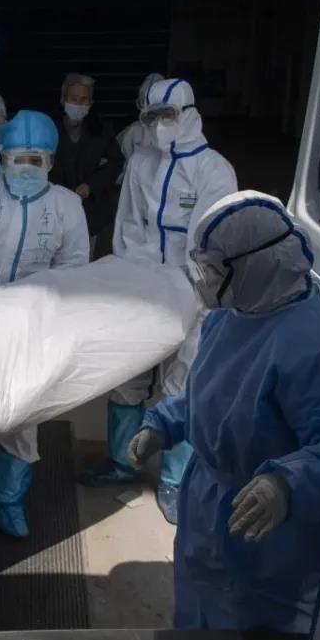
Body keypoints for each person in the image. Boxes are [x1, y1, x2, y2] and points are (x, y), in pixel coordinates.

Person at [126, 190, 320, 633]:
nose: (204, 281)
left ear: (259, 263)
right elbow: (212, 395)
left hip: (265, 527)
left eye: (215, 269)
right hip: (206, 502)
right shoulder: (231, 315)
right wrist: (165, 422)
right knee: (197, 610)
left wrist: (286, 484)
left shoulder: (318, 343)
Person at [82, 78, 237, 518]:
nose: (159, 124)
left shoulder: (213, 170)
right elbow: (127, 224)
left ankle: (174, 480)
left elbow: (211, 239)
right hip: (143, 285)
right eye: (151, 117)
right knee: (127, 373)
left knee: (182, 383)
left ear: (189, 114)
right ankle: (122, 461)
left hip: (193, 292)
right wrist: (133, 275)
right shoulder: (140, 163)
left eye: (168, 115)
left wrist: (195, 289)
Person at [0, 109, 90, 537]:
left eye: (36, 160)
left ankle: (4, 499)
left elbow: (74, 264)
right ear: (2, 158)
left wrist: (35, 301)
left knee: (24, 410)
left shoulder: (66, 205)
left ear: (50, 161)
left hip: (35, 322)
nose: (26, 168)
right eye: (18, 159)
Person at [50, 73, 125, 258]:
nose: (78, 104)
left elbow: (115, 163)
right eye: (73, 98)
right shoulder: (49, 128)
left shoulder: (101, 130)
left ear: (90, 103)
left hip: (90, 212)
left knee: (84, 260)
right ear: (63, 99)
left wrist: (92, 185)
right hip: (52, 209)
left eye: (83, 99)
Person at [116, 73, 165, 165]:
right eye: (145, 102)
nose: (151, 109)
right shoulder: (133, 131)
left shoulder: (173, 130)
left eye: (155, 103)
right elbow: (124, 161)